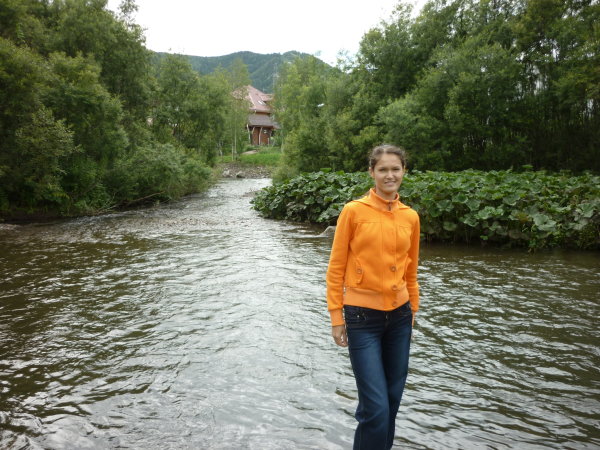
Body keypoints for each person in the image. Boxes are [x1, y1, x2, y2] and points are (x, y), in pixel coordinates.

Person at [326, 144, 420, 450]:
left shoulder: (410, 217)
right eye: (383, 169)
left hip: (400, 318)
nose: (390, 175)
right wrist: (336, 317)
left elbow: (411, 270)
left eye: (395, 169)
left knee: (391, 402)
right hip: (362, 318)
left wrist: (413, 310)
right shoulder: (354, 211)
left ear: (404, 171)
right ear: (372, 172)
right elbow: (335, 268)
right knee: (376, 407)